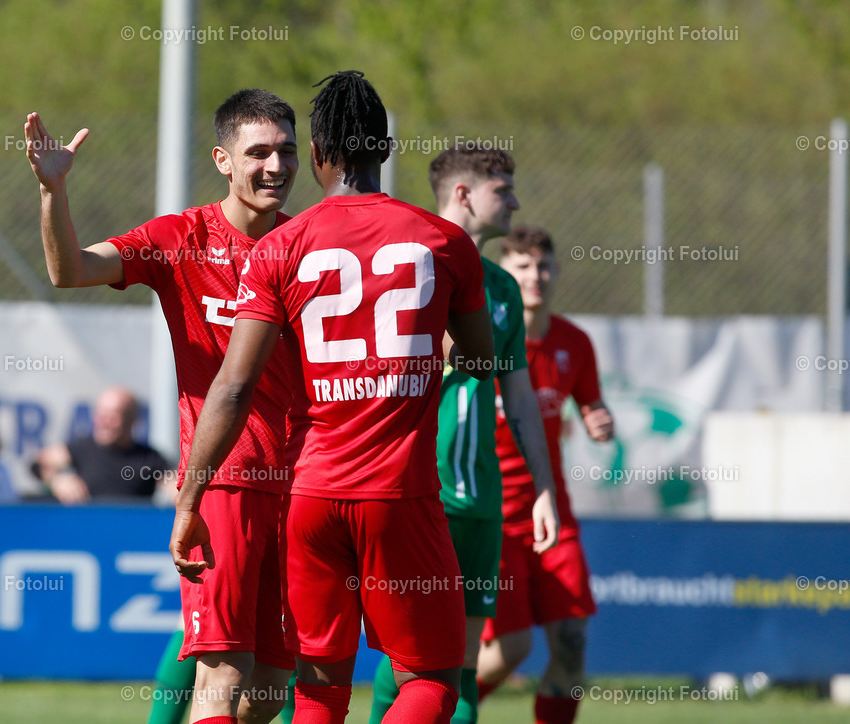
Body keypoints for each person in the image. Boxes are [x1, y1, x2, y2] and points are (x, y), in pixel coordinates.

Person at [171, 70, 511, 724]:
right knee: (431, 680)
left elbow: (233, 386)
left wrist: (190, 499)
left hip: (311, 498)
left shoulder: (278, 248)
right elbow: (479, 358)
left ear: (318, 153)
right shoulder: (443, 242)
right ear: (384, 149)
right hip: (401, 496)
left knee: (319, 688)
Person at [25, 87, 300, 724]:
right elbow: (71, 271)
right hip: (226, 482)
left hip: (305, 485)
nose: (275, 166)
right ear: (223, 160)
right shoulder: (182, 238)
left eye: (286, 151)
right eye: (257, 151)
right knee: (223, 667)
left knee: (275, 678)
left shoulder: (309, 245)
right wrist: (52, 192)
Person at [369, 147, 561, 724]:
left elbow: (520, 398)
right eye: (502, 190)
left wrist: (545, 487)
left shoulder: (501, 288)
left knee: (461, 660)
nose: (516, 201)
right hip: (418, 491)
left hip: (482, 497)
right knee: (416, 656)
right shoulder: (406, 269)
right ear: (463, 195)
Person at [476, 225, 614, 724]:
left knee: (573, 643)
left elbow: (592, 405)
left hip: (552, 515)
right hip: (492, 520)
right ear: (503, 275)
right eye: (523, 267)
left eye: (544, 265)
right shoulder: (479, 337)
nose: (537, 276)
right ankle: (449, 709)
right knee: (510, 651)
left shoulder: (574, 342)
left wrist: (600, 420)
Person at [33, 386, 173, 503]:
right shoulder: (81, 449)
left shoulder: (149, 458)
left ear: (132, 419)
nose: (104, 422)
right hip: (87, 528)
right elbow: (38, 463)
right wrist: (58, 479)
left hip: (131, 529)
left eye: (113, 416)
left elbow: (176, 486)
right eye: (101, 415)